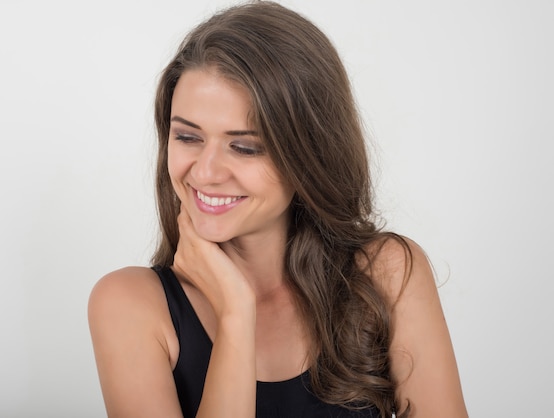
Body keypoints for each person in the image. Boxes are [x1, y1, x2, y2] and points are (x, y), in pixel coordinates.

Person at [88, 2, 468, 417]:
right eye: (188, 137)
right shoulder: (130, 305)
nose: (207, 172)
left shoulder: (387, 274)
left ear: (308, 154)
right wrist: (235, 313)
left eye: (245, 146)